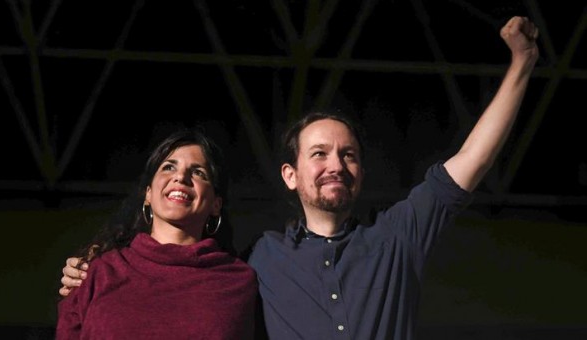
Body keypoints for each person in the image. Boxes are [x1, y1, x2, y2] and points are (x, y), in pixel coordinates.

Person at [59, 16, 539, 339]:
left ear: (360, 172)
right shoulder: (256, 262)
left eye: (347, 155)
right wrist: (92, 267)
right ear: (290, 175)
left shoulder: (399, 237)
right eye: (320, 153)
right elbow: (179, 272)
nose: (335, 164)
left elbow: (473, 159)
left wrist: (522, 64)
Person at [55, 129, 258, 340]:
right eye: (168, 167)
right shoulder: (98, 271)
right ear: (148, 194)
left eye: (198, 172)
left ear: (216, 204)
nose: (180, 177)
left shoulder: (239, 281)